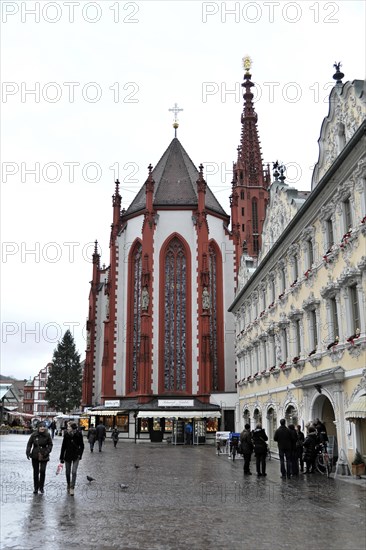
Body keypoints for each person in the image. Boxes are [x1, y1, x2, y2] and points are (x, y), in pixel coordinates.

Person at [26, 421, 53, 494]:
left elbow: (50, 444)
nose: (42, 428)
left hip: (44, 454)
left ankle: (41, 487)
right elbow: (29, 444)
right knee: (36, 472)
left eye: (43, 426)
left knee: (43, 471)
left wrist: (47, 452)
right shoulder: (34, 435)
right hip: (35, 454)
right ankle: (36, 487)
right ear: (38, 427)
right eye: (41, 426)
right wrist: (28, 452)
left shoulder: (47, 435)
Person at [60, 422, 84, 495]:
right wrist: (61, 457)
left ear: (73, 428)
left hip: (76, 455)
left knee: (74, 472)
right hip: (67, 455)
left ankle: (72, 487)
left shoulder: (79, 435)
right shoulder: (66, 435)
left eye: (69, 427)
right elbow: (63, 446)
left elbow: (82, 445)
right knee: (67, 472)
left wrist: (80, 454)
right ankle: (68, 484)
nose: (67, 428)